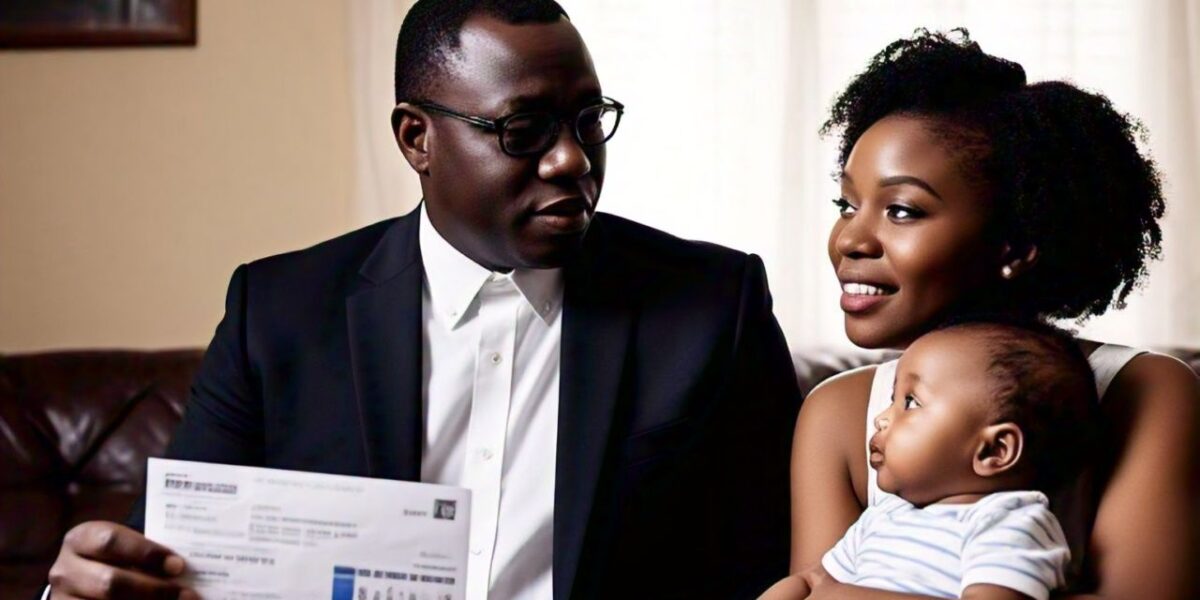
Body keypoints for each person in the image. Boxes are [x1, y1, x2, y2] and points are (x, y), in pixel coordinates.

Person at [44, 1, 802, 599]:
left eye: (586, 121)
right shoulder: (278, 313)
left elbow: (771, 566)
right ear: (417, 139)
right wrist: (85, 586)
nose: (572, 159)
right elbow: (166, 560)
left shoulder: (713, 308)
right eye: (525, 129)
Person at [783, 29, 1200, 600]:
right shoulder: (836, 413)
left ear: (1016, 245)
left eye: (902, 210)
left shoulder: (1146, 391)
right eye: (847, 205)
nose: (849, 239)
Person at [763, 319, 1099, 599]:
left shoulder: (1008, 523)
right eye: (892, 399)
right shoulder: (883, 516)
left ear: (994, 451)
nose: (881, 418)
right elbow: (813, 581)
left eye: (910, 402)